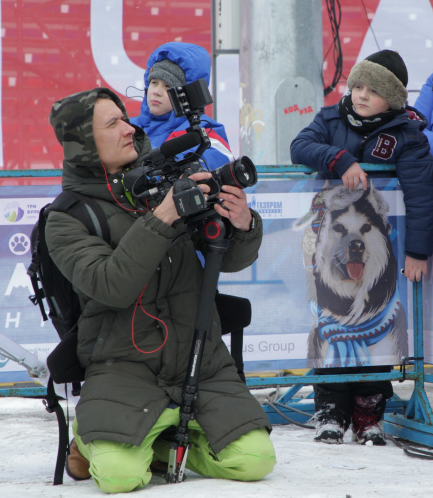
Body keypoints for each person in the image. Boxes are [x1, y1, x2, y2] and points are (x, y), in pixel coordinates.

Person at [45, 88, 274, 493]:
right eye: (112, 123)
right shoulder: (67, 218)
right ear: (84, 144)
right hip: (123, 367)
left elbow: (231, 259)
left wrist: (242, 224)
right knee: (119, 478)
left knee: (254, 460)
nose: (129, 128)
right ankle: (90, 437)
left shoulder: (167, 180)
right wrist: (164, 215)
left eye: (124, 117)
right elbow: (111, 285)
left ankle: (161, 445)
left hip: (198, 361)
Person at [290, 50, 433, 446]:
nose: (360, 95)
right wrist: (338, 159)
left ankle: (370, 413)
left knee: (376, 336)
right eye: (357, 86)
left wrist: (418, 252)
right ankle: (330, 411)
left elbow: (423, 193)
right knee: (330, 328)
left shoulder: (407, 136)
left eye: (373, 91)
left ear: (392, 98)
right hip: (331, 249)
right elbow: (300, 146)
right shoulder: (331, 118)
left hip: (375, 254)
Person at [131, 42, 233, 169]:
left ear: (185, 95)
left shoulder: (205, 129)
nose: (156, 91)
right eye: (154, 82)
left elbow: (217, 161)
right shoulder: (127, 127)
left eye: (168, 86)